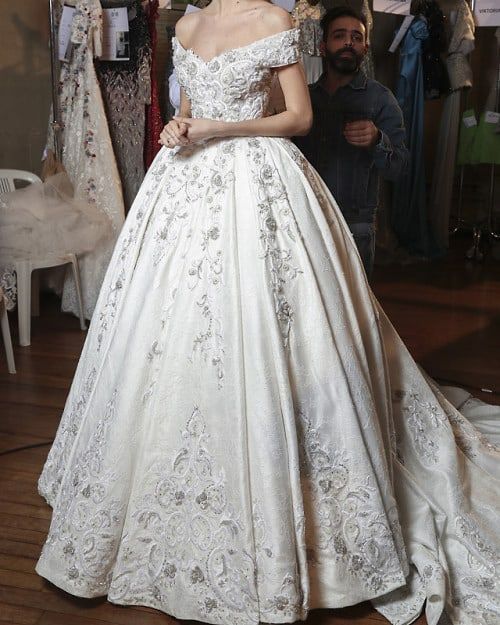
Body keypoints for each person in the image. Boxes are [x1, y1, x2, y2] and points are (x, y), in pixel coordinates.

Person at [36, 2, 500, 625]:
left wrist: (215, 131)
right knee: (165, 328)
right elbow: (189, 108)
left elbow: (298, 117)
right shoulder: (185, 25)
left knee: (274, 326)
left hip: (257, 179)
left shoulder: (276, 21)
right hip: (183, 184)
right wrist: (179, 128)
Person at [294, 6, 408, 276]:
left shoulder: (381, 100)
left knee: (354, 314)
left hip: (354, 227)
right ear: (323, 46)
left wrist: (377, 140)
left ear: (365, 48)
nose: (348, 42)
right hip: (304, 220)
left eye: (357, 37)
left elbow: (400, 167)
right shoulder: (303, 100)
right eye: (339, 35)